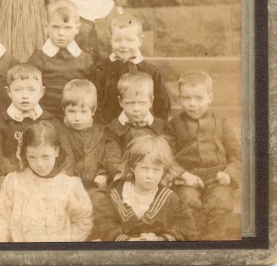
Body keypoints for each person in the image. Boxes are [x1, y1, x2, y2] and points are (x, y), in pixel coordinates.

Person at [0, 64, 73, 210]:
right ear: (8, 92)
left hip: (45, 171)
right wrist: (16, 171)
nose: (25, 95)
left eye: (31, 90)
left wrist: (49, 171)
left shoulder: (50, 121)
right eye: (18, 90)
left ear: (41, 92)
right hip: (12, 174)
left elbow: (66, 153)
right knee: (0, 185)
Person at [165, 70, 241, 240]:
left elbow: (237, 155)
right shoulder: (173, 125)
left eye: (199, 98)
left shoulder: (221, 123)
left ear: (210, 98)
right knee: (186, 200)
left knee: (221, 201)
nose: (193, 104)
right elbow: (167, 157)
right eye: (187, 98)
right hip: (188, 178)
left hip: (217, 177)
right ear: (179, 98)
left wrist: (228, 174)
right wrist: (183, 175)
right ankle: (192, 241)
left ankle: (213, 241)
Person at [0, 122, 93, 242]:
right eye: (32, 157)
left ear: (56, 151)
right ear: (25, 155)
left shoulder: (70, 185)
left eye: (45, 156)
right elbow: (1, 219)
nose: (39, 164)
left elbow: (83, 221)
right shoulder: (14, 181)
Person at [92, 135, 197, 241]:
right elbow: (106, 226)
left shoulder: (170, 198)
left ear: (164, 171)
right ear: (132, 167)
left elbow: (184, 229)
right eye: (144, 168)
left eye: (156, 170)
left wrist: (160, 239)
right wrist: (127, 240)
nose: (149, 176)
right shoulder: (116, 195)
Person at [93, 13, 171, 124]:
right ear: (111, 40)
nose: (123, 45)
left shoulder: (150, 70)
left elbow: (162, 103)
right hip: (110, 129)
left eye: (130, 40)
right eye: (117, 40)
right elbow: (96, 102)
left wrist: (158, 126)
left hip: (142, 127)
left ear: (140, 40)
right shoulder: (102, 68)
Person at [27, 0, 96, 119]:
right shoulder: (37, 59)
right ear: (46, 27)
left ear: (77, 28)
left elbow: (91, 96)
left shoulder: (85, 60)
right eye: (55, 27)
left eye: (67, 27)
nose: (61, 33)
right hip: (44, 118)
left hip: (76, 118)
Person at [102, 72, 167, 183]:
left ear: (151, 101)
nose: (136, 109)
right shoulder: (114, 128)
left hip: (154, 178)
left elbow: (167, 156)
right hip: (125, 177)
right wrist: (119, 174)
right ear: (120, 102)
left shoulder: (161, 127)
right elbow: (112, 155)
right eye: (130, 103)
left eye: (142, 103)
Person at [60, 80, 109, 212]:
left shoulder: (102, 132)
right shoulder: (60, 133)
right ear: (63, 110)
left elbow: (106, 156)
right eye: (71, 111)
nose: (77, 118)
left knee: (101, 203)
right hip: (69, 186)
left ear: (93, 111)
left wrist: (104, 175)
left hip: (95, 187)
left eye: (83, 112)